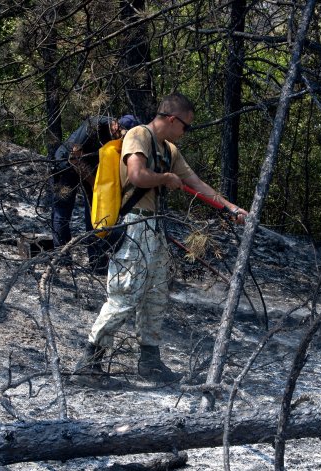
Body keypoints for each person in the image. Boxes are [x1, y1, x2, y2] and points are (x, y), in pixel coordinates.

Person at [75, 94, 248, 386]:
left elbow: (195, 182)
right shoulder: (138, 135)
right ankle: (89, 361)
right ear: (171, 119)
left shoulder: (169, 149)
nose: (185, 132)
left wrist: (229, 207)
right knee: (125, 295)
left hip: (154, 227)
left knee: (155, 295)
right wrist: (165, 178)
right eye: (186, 126)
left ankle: (150, 362)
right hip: (133, 225)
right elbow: (138, 175)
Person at [51, 114, 140, 273]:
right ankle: (62, 260)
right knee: (62, 213)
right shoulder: (94, 126)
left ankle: (97, 260)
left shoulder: (119, 141)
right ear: (116, 126)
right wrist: (93, 182)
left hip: (90, 170)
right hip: (65, 165)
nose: (124, 141)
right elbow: (74, 157)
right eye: (124, 135)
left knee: (96, 213)